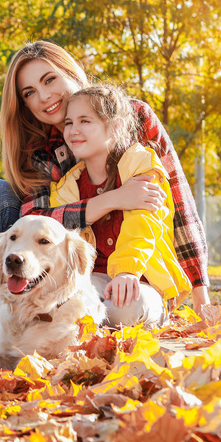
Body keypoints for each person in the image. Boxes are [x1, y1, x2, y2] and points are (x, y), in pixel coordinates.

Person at [0, 40, 209, 325]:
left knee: (117, 309)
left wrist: (201, 295)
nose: (44, 97)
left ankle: (10, 311)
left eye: (49, 79)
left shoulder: (128, 115)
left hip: (135, 273)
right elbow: (35, 219)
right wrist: (112, 200)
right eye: (29, 93)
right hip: (74, 272)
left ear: (71, 72)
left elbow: (179, 206)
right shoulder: (39, 150)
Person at [51, 84, 191, 327]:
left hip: (142, 280)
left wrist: (127, 271)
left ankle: (94, 320)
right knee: (60, 301)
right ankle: (87, 321)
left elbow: (144, 224)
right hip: (94, 280)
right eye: (69, 122)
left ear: (115, 128)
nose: (74, 130)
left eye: (85, 121)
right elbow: (59, 243)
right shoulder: (67, 187)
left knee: (126, 309)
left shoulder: (140, 163)